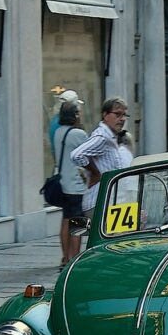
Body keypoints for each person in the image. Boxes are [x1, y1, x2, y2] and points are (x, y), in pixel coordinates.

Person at [71, 97, 129, 215]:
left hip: (112, 204)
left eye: (124, 115)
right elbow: (76, 155)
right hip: (99, 204)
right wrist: (95, 173)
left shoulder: (111, 137)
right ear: (105, 115)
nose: (122, 119)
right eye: (117, 114)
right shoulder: (102, 136)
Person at [54, 100, 88, 266]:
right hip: (77, 185)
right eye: (78, 113)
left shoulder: (58, 132)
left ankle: (65, 257)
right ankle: (74, 258)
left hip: (63, 183)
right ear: (74, 115)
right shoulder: (78, 134)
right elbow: (88, 155)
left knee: (66, 219)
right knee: (78, 223)